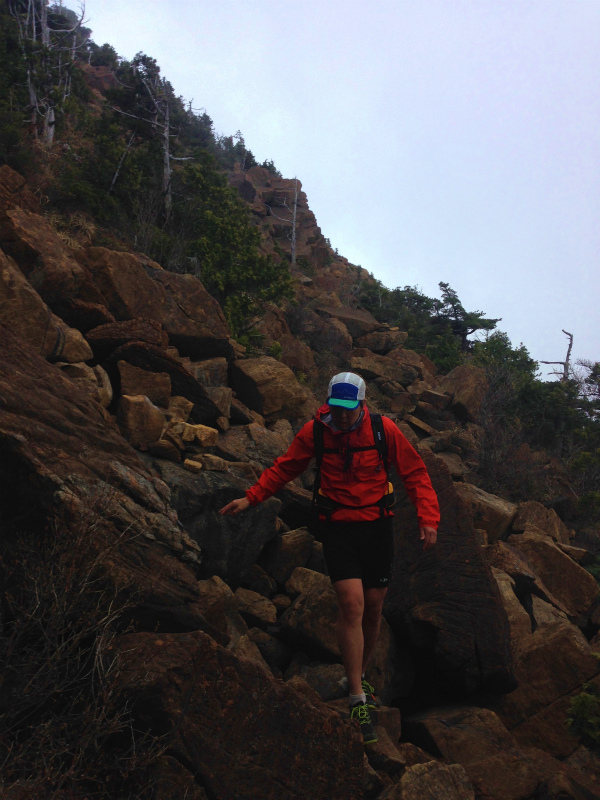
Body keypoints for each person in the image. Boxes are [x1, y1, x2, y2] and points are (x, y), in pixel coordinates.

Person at [220, 372, 439, 745]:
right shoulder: (315, 432)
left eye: (348, 410)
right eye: (335, 408)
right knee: (351, 605)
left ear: (362, 405)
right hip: (337, 526)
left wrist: (428, 518)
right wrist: (252, 496)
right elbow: (286, 467)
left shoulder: (384, 431)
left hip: (377, 527)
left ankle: (359, 673)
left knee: (373, 607)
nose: (340, 416)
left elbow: (415, 473)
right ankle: (356, 696)